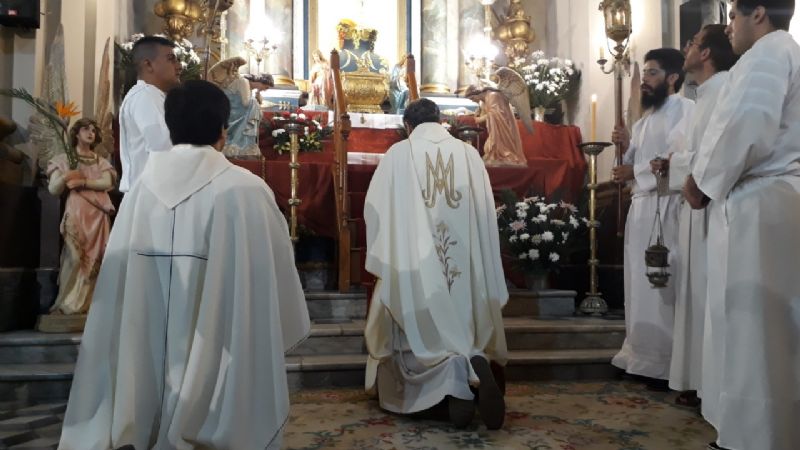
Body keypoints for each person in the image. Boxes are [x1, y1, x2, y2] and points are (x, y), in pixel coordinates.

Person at [58, 80, 311, 450]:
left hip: (143, 352)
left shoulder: (140, 191)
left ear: (170, 127)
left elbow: (117, 281)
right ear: (224, 130)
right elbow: (271, 280)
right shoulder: (246, 191)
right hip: (220, 359)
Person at [682, 1, 800, 449]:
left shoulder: (769, 52)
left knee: (750, 327)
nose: (729, 27)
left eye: (733, 16)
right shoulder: (790, 51)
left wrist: (701, 182)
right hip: (776, 199)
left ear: (759, 15)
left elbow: (747, 126)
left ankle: (750, 437)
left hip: (757, 204)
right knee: (774, 329)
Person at [363, 98, 508, 430]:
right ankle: (471, 361)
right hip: (465, 267)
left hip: (415, 265)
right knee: (464, 318)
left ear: (408, 126)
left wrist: (389, 252)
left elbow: (376, 211)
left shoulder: (399, 154)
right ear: (442, 121)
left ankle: (450, 381)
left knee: (413, 324)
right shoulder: (470, 155)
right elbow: (486, 213)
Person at [651, 24, 738, 408]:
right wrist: (674, 164)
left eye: (693, 43)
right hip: (694, 201)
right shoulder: (703, 93)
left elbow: (714, 151)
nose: (686, 48)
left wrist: (678, 167)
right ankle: (699, 380)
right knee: (695, 292)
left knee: (706, 292)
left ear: (705, 55)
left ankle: (710, 385)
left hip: (706, 202)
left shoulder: (721, 89)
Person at [609, 48, 694, 390]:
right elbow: (632, 162)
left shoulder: (686, 110)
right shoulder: (644, 119)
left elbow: (678, 159)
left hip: (666, 206)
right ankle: (639, 355)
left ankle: (664, 363)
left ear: (673, 78)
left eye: (653, 73)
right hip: (641, 207)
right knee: (638, 283)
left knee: (662, 282)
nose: (645, 79)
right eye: (644, 73)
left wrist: (635, 170)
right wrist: (626, 145)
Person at [46, 118, 116, 315]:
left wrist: (82, 181)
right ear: (76, 133)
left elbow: (106, 182)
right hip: (77, 211)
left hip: (97, 215)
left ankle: (88, 306)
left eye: (93, 130)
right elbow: (53, 189)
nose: (90, 132)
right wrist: (67, 175)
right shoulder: (63, 159)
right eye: (86, 129)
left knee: (96, 261)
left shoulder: (100, 161)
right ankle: (65, 302)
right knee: (74, 258)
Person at [118, 35, 181, 192]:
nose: (179, 66)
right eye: (171, 59)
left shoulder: (152, 96)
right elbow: (162, 146)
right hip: (148, 195)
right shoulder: (145, 95)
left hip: (150, 193)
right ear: (148, 64)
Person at [209, 56, 262, 158]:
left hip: (227, 116)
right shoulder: (242, 81)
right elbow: (246, 103)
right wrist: (256, 101)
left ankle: (230, 145)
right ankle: (243, 145)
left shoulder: (224, 84)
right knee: (253, 104)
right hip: (240, 117)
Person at [465, 86, 527, 166]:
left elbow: (496, 113)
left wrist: (480, 119)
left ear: (477, 93)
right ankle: (496, 157)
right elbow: (486, 114)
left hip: (504, 127)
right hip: (495, 129)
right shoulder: (483, 101)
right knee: (488, 148)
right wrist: (478, 114)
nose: (473, 101)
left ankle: (502, 157)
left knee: (497, 148)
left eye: (472, 98)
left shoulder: (493, 95)